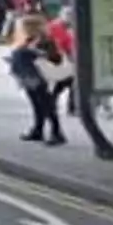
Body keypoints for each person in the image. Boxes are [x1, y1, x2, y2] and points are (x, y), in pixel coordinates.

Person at [8, 15, 68, 145]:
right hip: (30, 79)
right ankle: (38, 129)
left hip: (43, 79)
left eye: (20, 28)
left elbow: (55, 59)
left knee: (47, 105)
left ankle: (57, 132)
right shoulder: (29, 41)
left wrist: (35, 52)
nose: (17, 31)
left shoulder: (44, 41)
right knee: (37, 105)